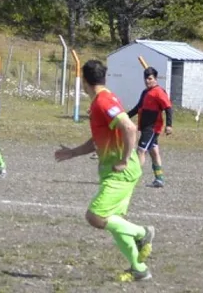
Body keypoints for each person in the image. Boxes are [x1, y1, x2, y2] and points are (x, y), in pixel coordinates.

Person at [54, 59, 155, 283]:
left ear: (85, 82)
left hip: (121, 171)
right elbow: (99, 139)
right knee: (114, 220)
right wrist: (73, 152)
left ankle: (142, 233)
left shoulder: (103, 101)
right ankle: (139, 269)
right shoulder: (102, 101)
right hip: (113, 170)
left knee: (95, 216)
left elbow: (129, 127)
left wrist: (124, 158)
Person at [126, 66, 173, 187]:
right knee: (154, 152)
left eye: (150, 78)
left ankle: (132, 178)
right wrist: (124, 117)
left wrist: (169, 125)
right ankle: (159, 179)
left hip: (152, 128)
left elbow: (168, 108)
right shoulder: (145, 92)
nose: (147, 81)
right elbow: (137, 108)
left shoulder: (159, 92)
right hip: (145, 126)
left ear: (155, 78)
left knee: (141, 151)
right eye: (146, 78)